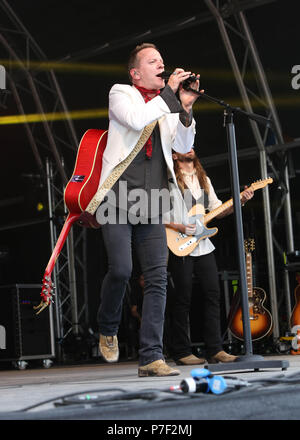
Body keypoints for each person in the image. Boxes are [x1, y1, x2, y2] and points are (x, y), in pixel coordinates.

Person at [95, 43, 200, 376]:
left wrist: (184, 109)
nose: (162, 65)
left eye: (163, 61)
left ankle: (151, 357)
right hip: (118, 197)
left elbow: (183, 147)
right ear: (135, 72)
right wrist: (170, 95)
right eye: (153, 61)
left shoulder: (166, 104)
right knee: (122, 270)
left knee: (157, 279)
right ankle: (107, 324)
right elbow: (136, 119)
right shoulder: (121, 94)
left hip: (153, 201)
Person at [166, 148, 254, 365]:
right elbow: (157, 214)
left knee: (213, 293)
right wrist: (178, 226)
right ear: (174, 155)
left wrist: (240, 201)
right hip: (179, 241)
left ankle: (215, 349)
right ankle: (181, 351)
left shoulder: (204, 179)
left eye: (191, 144)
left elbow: (217, 210)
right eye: (182, 146)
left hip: (203, 244)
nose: (190, 147)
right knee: (182, 298)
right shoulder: (168, 179)